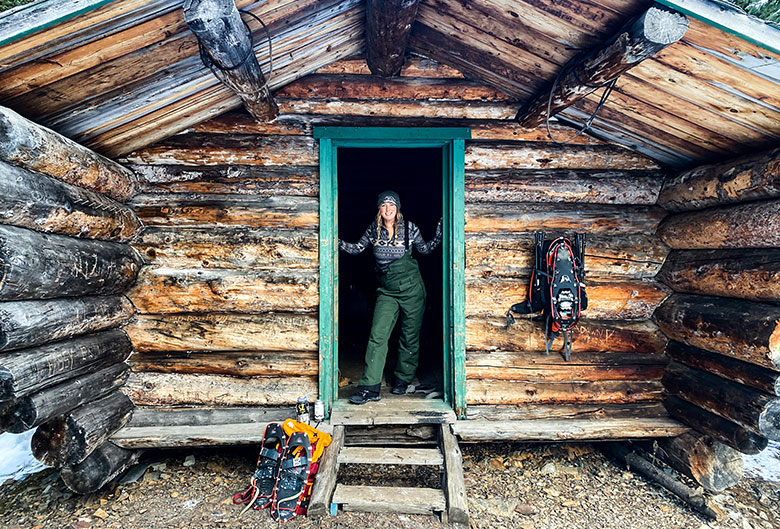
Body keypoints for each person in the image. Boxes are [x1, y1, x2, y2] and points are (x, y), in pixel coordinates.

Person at [339, 190, 442, 405]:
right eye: (384, 205)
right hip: (387, 290)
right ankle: (369, 387)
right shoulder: (373, 231)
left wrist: (441, 232)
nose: (388, 209)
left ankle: (402, 380)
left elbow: (425, 249)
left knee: (409, 336)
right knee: (378, 335)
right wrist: (334, 240)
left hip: (412, 290)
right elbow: (356, 249)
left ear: (398, 209)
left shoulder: (409, 229)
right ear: (379, 209)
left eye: (392, 206)